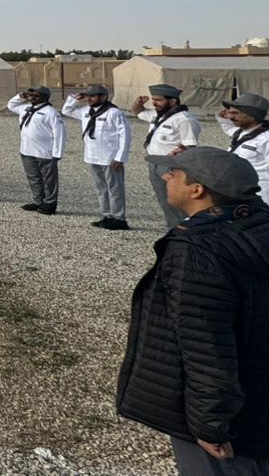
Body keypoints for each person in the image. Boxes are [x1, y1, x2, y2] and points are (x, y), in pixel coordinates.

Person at [116, 147, 269, 475]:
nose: (165, 177)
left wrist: (210, 423)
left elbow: (205, 345)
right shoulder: (257, 224)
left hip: (228, 419)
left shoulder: (196, 251)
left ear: (197, 190)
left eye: (174, 173)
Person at [134, 84, 203, 228]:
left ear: (173, 101)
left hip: (172, 164)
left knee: (179, 199)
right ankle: (173, 228)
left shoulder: (184, 119)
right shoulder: (158, 115)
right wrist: (138, 103)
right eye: (153, 99)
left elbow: (190, 146)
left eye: (159, 100)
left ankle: (188, 229)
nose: (154, 103)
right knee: (165, 200)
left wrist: (179, 163)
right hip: (154, 162)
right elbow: (138, 112)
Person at [63, 85, 131, 230]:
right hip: (92, 156)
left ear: (104, 97)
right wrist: (75, 98)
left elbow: (125, 134)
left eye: (93, 96)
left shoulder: (113, 113)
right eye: (88, 96)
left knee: (115, 189)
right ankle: (107, 216)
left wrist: (120, 157)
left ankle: (119, 218)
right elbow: (66, 110)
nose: (89, 99)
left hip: (110, 158)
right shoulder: (85, 111)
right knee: (101, 188)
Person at [8, 86, 65, 214]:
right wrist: (20, 96)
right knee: (33, 178)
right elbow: (11, 105)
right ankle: (38, 201)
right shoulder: (25, 108)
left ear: (45, 97)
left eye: (36, 95)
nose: (33, 97)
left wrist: (57, 154)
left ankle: (50, 203)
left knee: (49, 180)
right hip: (27, 150)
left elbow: (59, 133)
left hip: (45, 152)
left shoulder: (51, 112)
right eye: (31, 95)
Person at [218, 93, 269, 196]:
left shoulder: (265, 139)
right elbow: (227, 127)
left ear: (252, 116)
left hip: (260, 194)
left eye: (235, 113)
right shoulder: (240, 132)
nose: (230, 116)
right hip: (239, 189)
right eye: (229, 113)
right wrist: (221, 116)